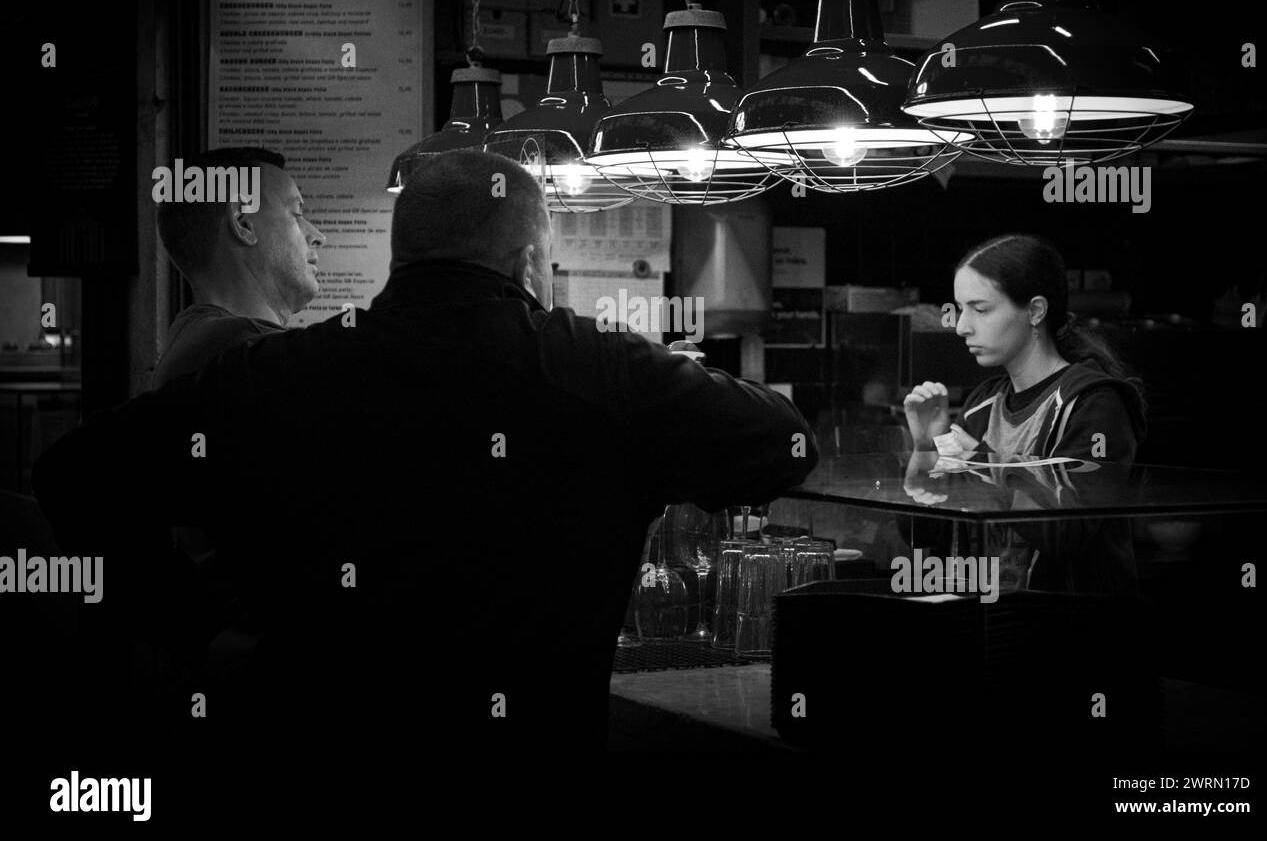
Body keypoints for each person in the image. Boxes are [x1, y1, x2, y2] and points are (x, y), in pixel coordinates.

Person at [31, 148, 818, 762]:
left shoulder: (275, 373)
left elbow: (73, 476)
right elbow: (786, 442)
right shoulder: (600, 369)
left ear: (400, 260)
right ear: (529, 262)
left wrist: (192, 629)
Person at [904, 233, 1146, 464]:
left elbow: (1080, 500)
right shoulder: (982, 403)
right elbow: (947, 498)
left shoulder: (1094, 403)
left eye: (980, 310)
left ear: (1035, 311)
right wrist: (927, 445)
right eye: (960, 308)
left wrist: (982, 463)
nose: (962, 327)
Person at [153, 147, 324, 387]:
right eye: (296, 214)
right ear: (243, 222)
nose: (318, 236)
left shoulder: (196, 339)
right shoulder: (243, 348)